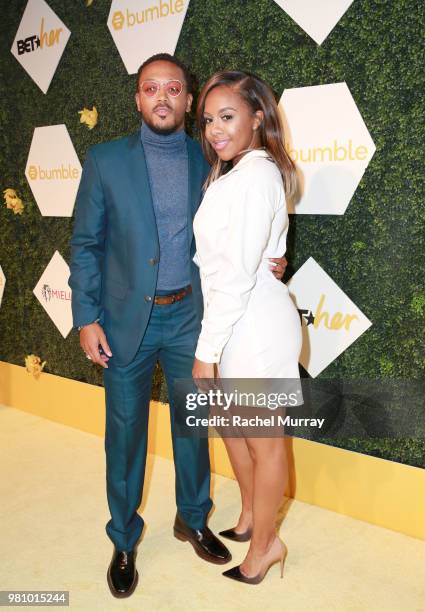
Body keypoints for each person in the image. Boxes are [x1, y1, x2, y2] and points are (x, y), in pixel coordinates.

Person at [68, 54, 287, 598]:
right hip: (123, 323)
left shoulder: (209, 158)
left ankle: (192, 517)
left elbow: (234, 234)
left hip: (191, 314)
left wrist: (268, 259)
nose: (163, 97)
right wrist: (85, 317)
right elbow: (86, 246)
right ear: (137, 99)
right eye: (151, 88)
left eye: (174, 89)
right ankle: (124, 538)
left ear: (189, 102)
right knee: (125, 435)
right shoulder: (104, 160)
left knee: (193, 429)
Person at [192, 70, 302, 585]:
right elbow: (262, 253)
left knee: (264, 439)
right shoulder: (235, 174)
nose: (215, 128)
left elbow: (237, 271)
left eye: (228, 116)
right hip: (237, 316)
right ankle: (253, 517)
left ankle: (265, 548)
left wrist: (206, 349)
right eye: (210, 119)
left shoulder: (255, 174)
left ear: (258, 117)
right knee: (236, 430)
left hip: (253, 325)